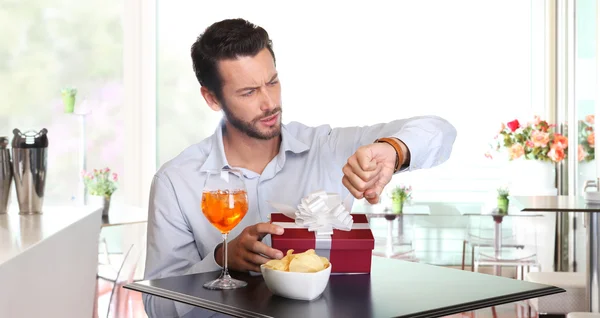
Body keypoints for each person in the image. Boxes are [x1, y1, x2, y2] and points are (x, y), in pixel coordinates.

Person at [143, 18, 457, 317]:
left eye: (272, 82)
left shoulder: (328, 149)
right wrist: (220, 260)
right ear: (212, 98)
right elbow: (157, 306)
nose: (269, 103)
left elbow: (440, 131)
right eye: (249, 92)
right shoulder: (176, 181)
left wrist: (394, 150)